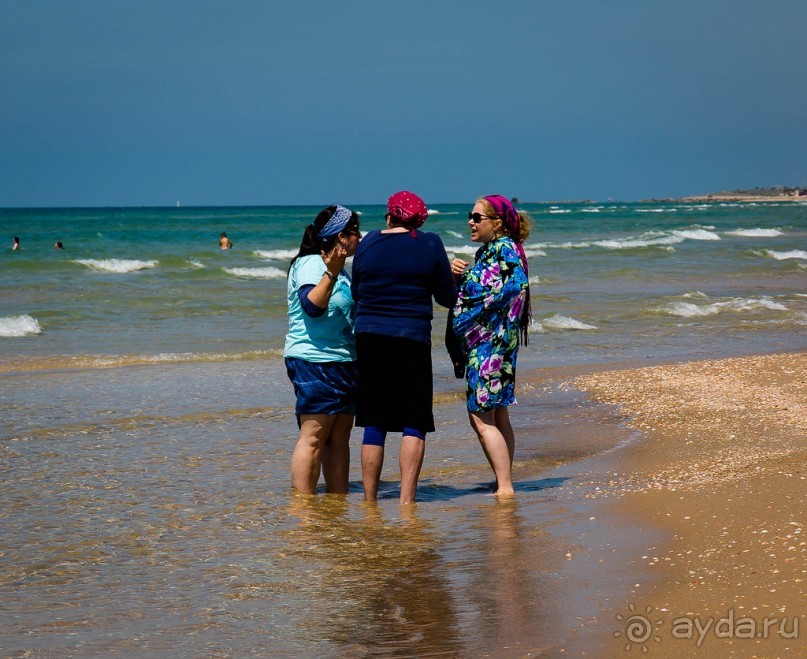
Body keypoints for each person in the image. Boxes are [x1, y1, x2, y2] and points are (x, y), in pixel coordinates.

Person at [351, 191, 456, 504]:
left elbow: (358, 291)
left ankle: (370, 500)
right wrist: (453, 276)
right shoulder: (429, 243)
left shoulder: (367, 242)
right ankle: (406, 500)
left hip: (369, 336)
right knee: (414, 420)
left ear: (388, 215)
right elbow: (446, 297)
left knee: (374, 421)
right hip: (411, 337)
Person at [450, 195, 531, 496]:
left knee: (481, 417)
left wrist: (465, 278)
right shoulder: (494, 250)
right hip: (497, 344)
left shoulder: (502, 248)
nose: (471, 222)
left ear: (496, 223)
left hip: (490, 346)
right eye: (469, 216)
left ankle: (505, 486)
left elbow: (515, 285)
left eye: (476, 217)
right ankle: (504, 479)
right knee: (497, 415)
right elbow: (500, 286)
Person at [284, 205, 362, 494]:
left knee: (340, 437)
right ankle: (303, 505)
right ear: (341, 236)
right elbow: (311, 307)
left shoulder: (343, 271)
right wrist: (331, 272)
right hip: (312, 359)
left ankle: (337, 502)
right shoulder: (310, 263)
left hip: (345, 360)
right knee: (315, 435)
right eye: (356, 232)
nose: (360, 238)